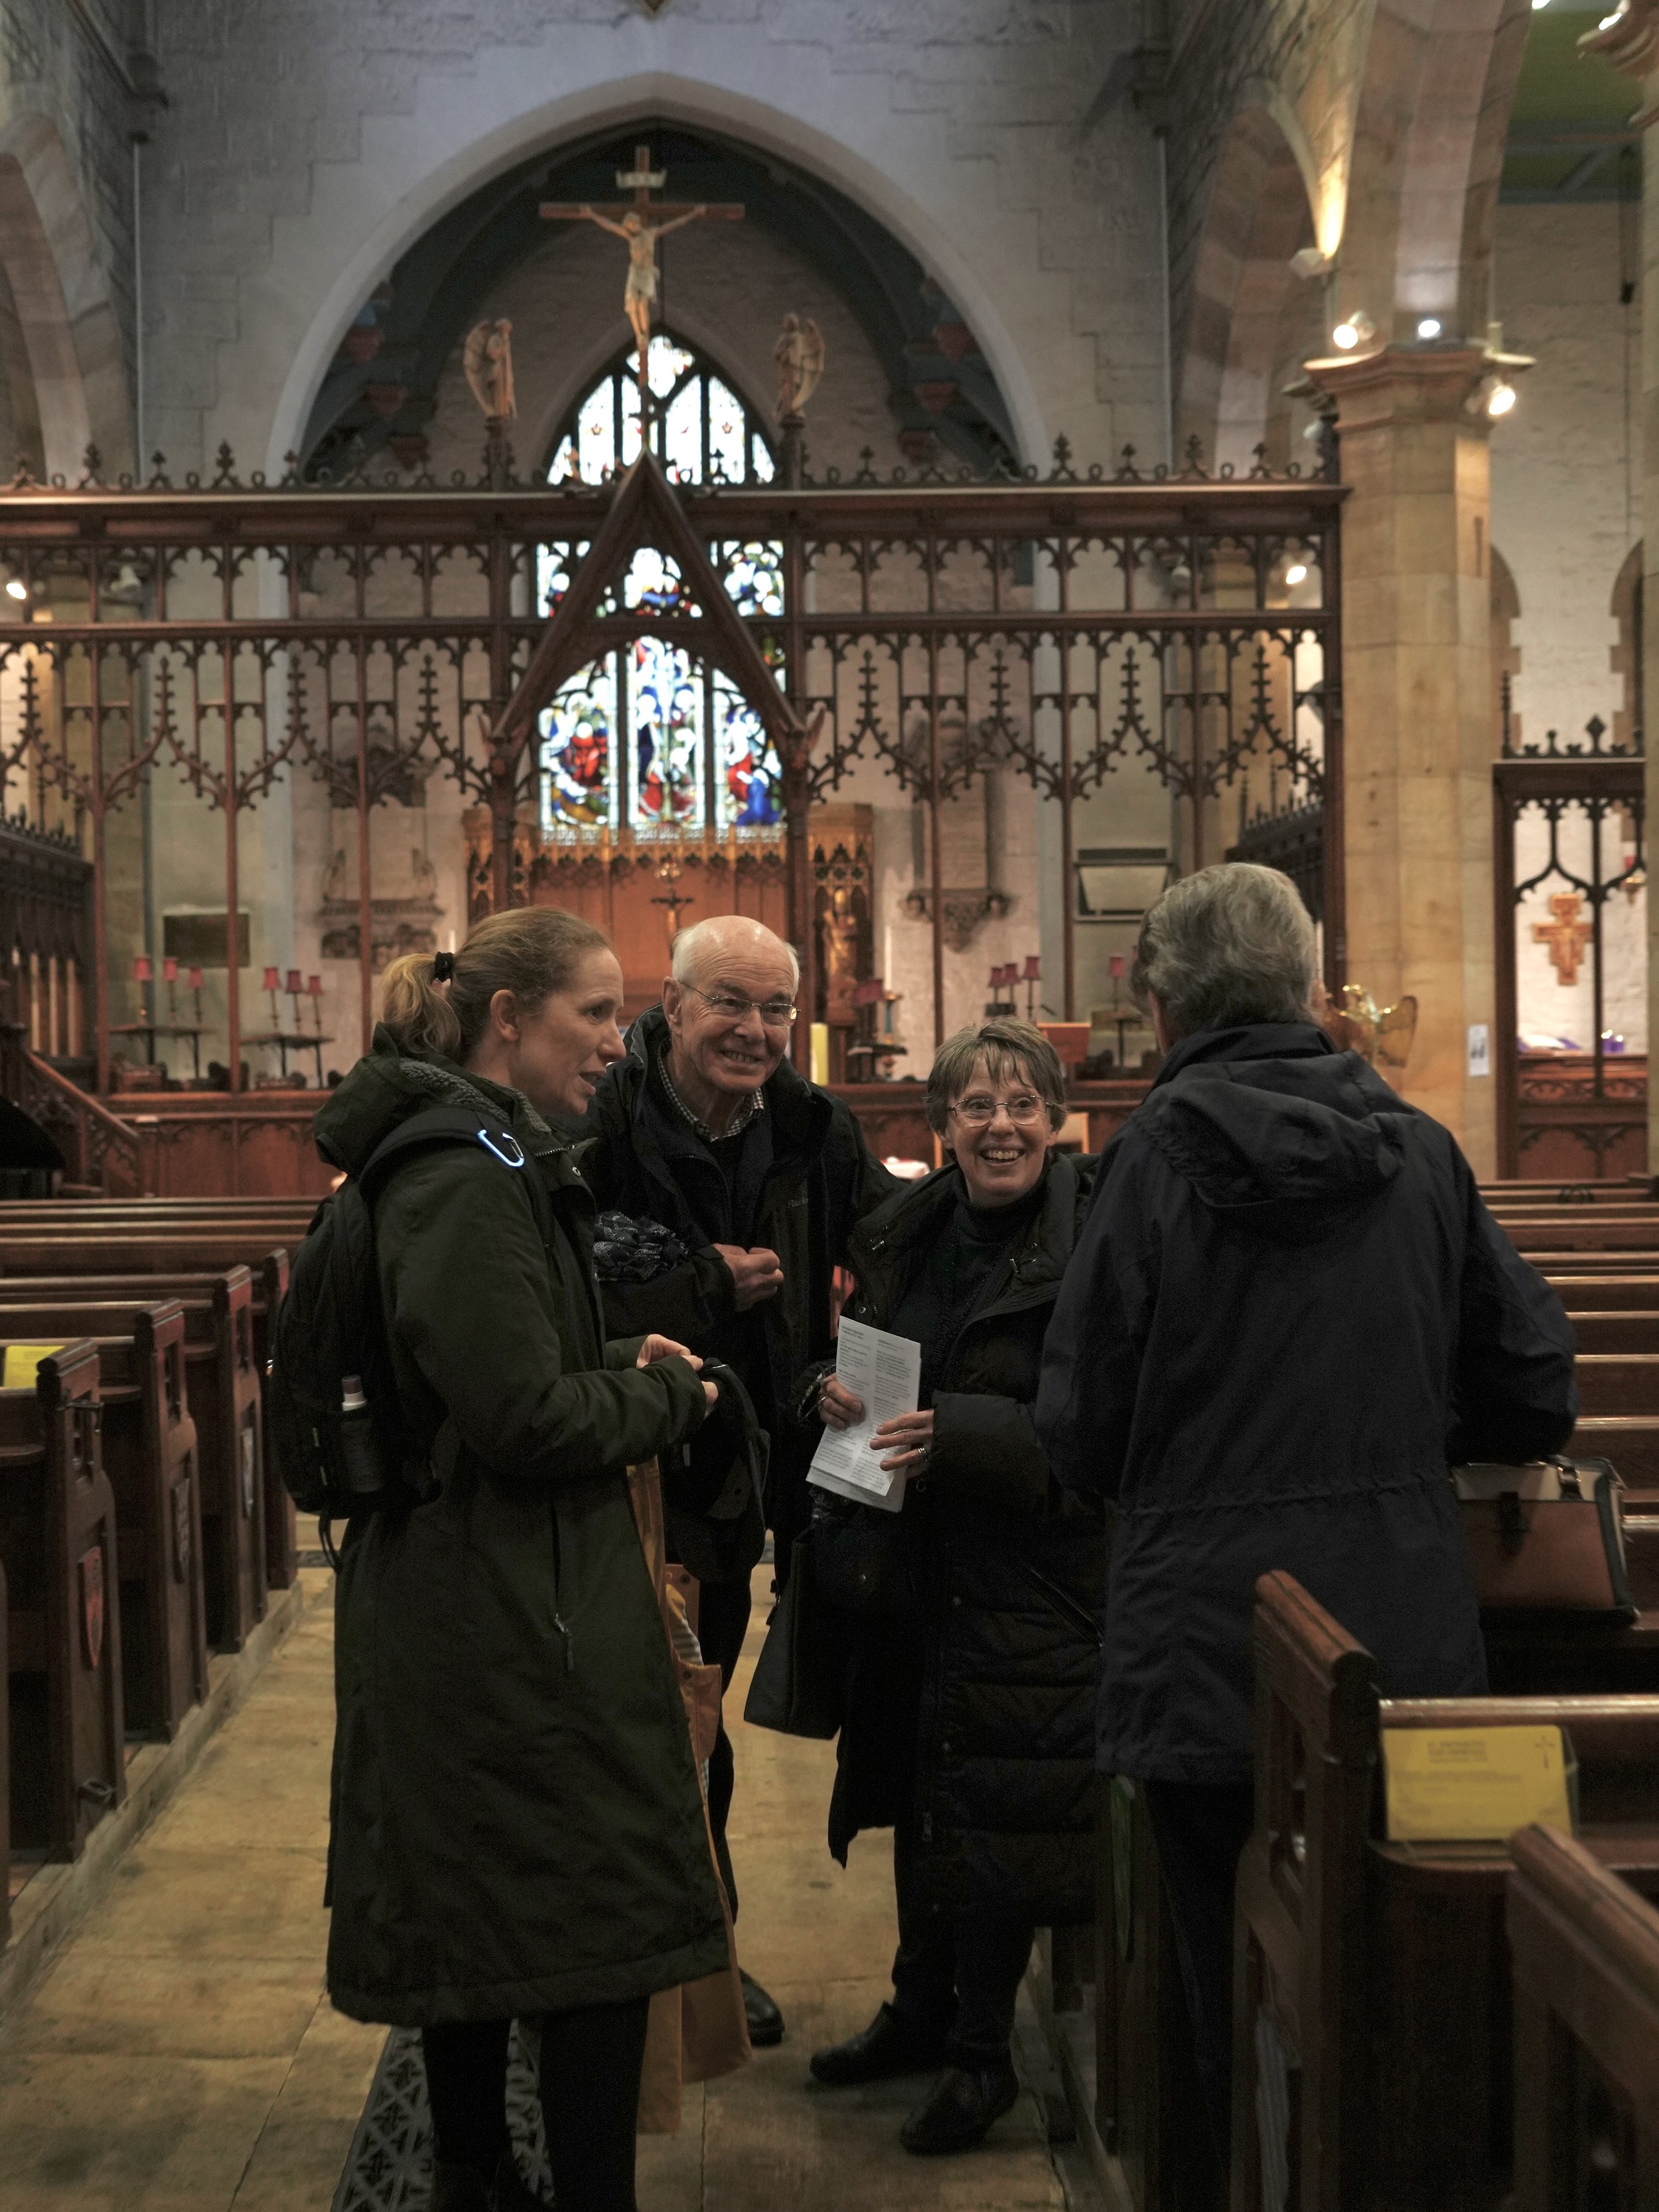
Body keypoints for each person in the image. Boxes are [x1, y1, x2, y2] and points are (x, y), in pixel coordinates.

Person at [1034, 863, 1578, 2164]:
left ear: (1158, 1007)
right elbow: (1530, 1391)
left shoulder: (1143, 1171)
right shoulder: (1419, 1154)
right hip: (1397, 1640)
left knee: (1229, 1979)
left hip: (1200, 1642)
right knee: (1394, 1958)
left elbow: (1075, 1428)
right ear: (1308, 991)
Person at [315, 909, 729, 2212]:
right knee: (590, 1920)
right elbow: (519, 1418)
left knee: (484, 1914)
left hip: (490, 1588)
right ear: (509, 1018)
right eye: (596, 1014)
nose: (622, 1040)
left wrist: (615, 1359)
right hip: (496, 1603)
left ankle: (476, 2174)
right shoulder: (463, 1172)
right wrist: (674, 1400)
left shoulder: (482, 1150)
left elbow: (493, 1367)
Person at [578, 912, 895, 2051]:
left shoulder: (815, 1123)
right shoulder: (602, 1117)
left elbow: (895, 1242)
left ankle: (699, 1943)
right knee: (677, 1709)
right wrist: (700, 1279)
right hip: (652, 1455)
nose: (755, 1030)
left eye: (775, 1009)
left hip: (791, 1445)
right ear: (671, 1006)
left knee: (749, 1697)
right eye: (730, 1003)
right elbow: (562, 1273)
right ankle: (693, 1950)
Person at [806, 1020, 1108, 2156]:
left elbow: (1117, 1426)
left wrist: (970, 1435)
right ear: (941, 1125)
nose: (1000, 1126)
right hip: (915, 1564)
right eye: (975, 1105)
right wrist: (821, 1396)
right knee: (919, 1785)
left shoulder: (1095, 1240)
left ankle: (985, 2056)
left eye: (1023, 1104)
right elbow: (854, 1358)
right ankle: (920, 2009)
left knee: (996, 1807)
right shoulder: (905, 1231)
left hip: (1035, 1578)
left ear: (1057, 1119)